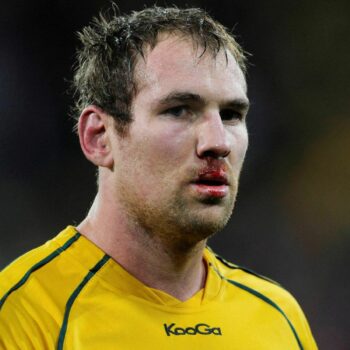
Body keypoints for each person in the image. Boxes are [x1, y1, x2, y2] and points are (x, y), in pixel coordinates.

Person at [0, 5, 317, 349]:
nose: (218, 142)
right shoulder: (24, 313)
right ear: (99, 137)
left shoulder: (279, 318)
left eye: (231, 114)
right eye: (179, 110)